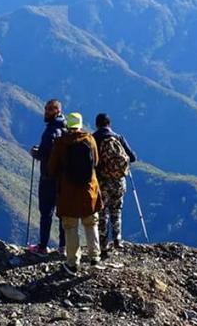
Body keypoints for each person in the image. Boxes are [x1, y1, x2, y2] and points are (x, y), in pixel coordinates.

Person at [48, 112, 102, 275]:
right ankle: (95, 257)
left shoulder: (60, 142)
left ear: (67, 125)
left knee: (70, 227)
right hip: (88, 191)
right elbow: (97, 162)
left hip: (68, 192)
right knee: (91, 223)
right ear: (80, 125)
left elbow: (52, 168)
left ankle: (72, 263)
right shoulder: (90, 139)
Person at [93, 113, 137, 257]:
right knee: (116, 210)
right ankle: (117, 239)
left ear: (97, 124)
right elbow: (133, 157)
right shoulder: (118, 138)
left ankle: (103, 245)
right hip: (119, 182)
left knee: (102, 213)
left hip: (102, 182)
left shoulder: (94, 138)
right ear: (109, 123)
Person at [28, 99, 67, 256]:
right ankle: (63, 247)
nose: (45, 112)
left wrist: (35, 153)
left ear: (57, 111)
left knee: (46, 213)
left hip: (48, 179)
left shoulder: (50, 131)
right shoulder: (67, 130)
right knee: (63, 214)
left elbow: (45, 154)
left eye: (49, 110)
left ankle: (43, 247)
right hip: (63, 181)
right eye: (45, 109)